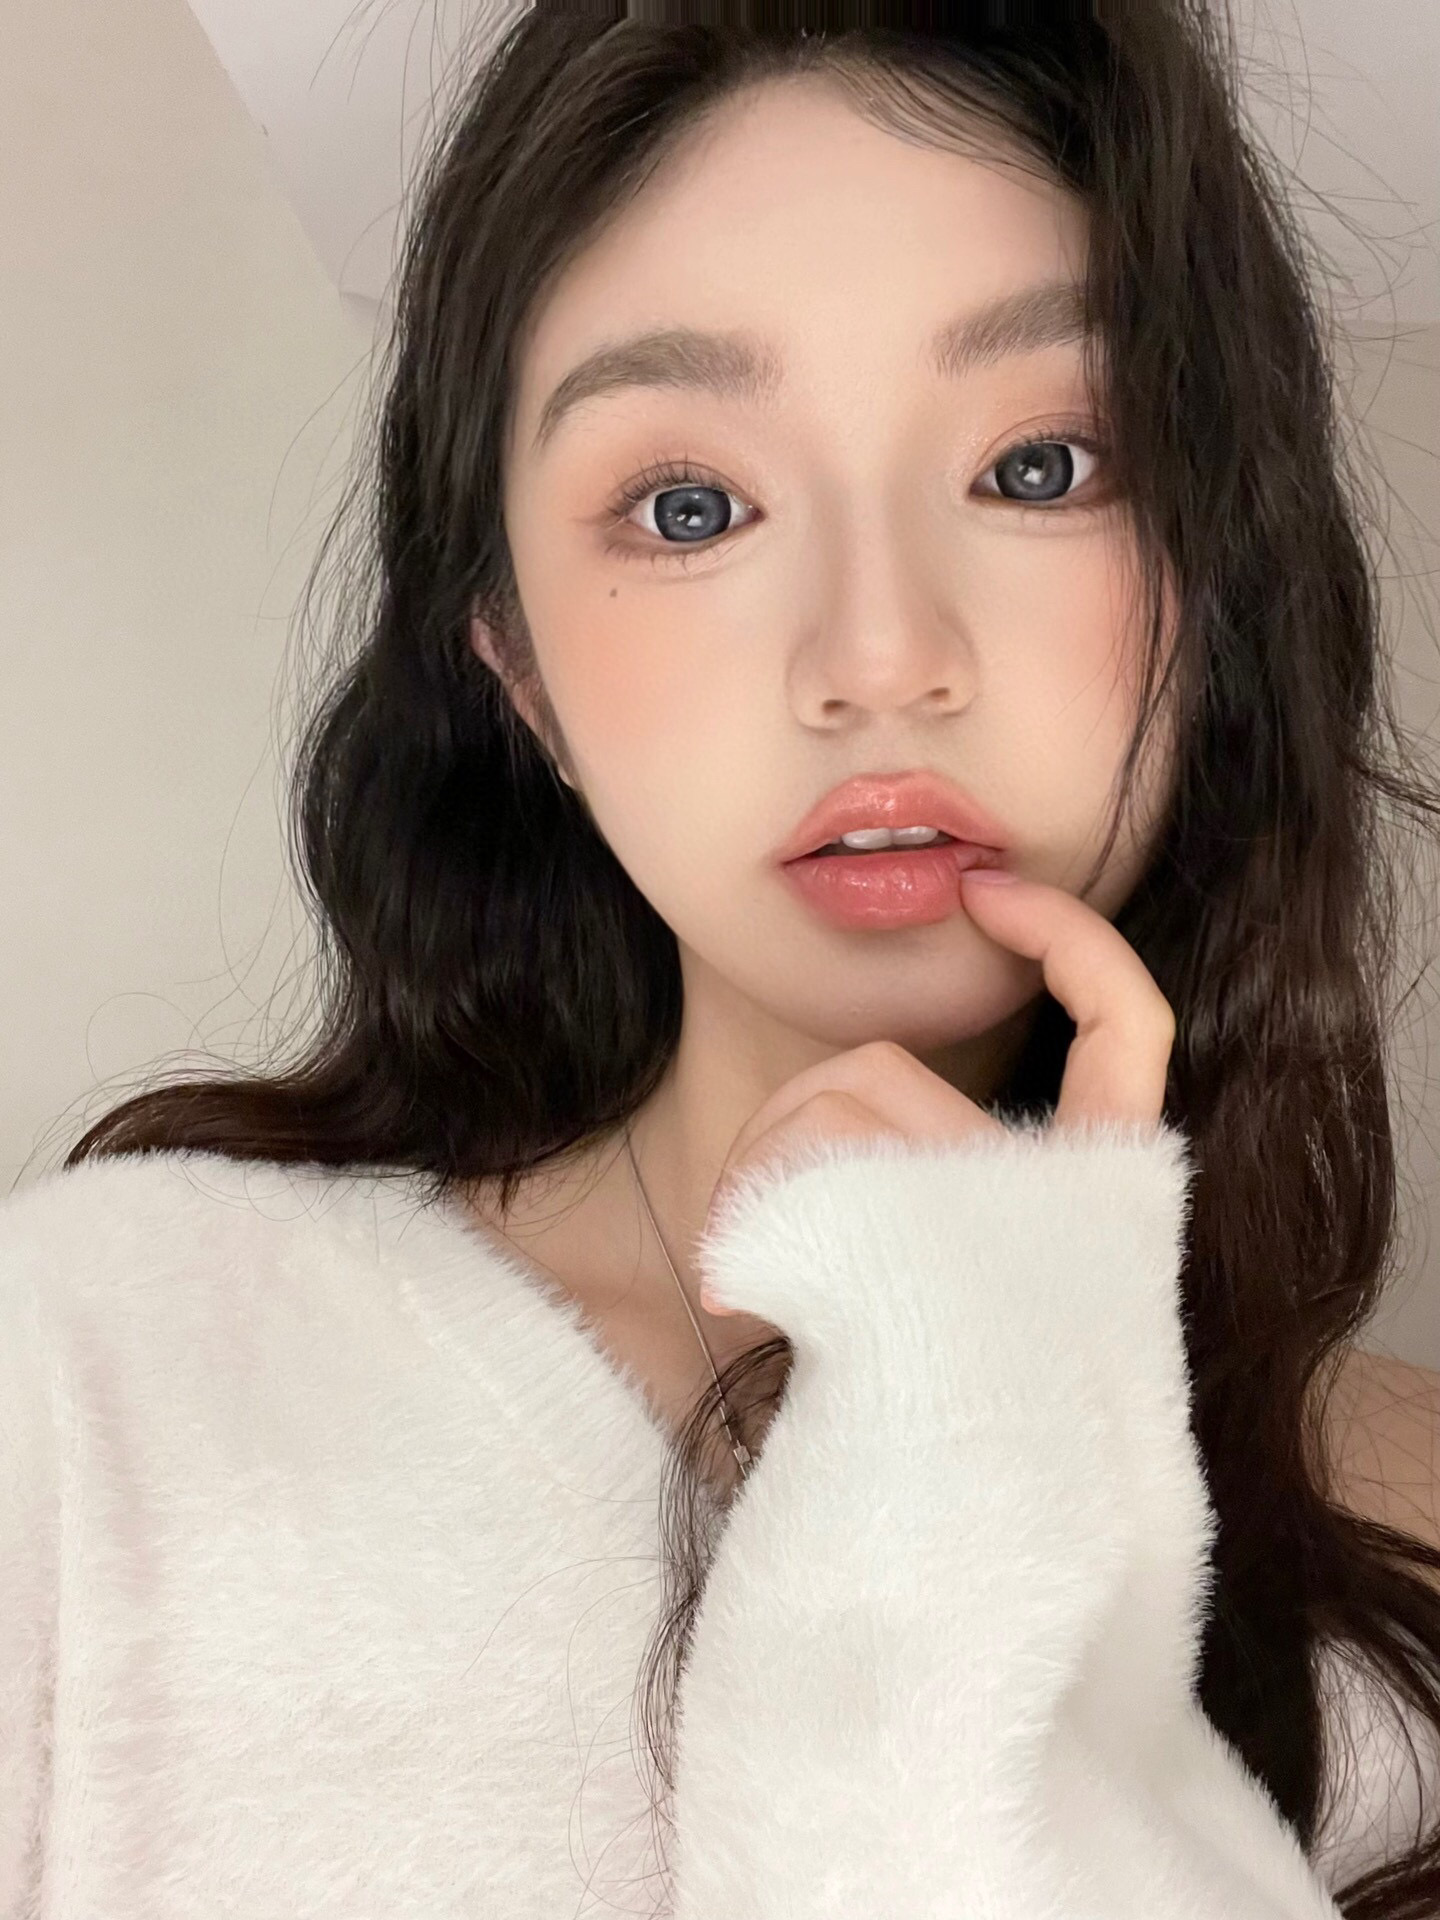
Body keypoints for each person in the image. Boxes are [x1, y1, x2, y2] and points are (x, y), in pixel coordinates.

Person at [3, 0, 1440, 1912]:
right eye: (691, 506)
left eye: (1042, 466)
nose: (878, 655)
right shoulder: (98, 1372)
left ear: (1225, 578)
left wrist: (991, 1401)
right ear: (517, 669)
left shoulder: (1406, 1537)